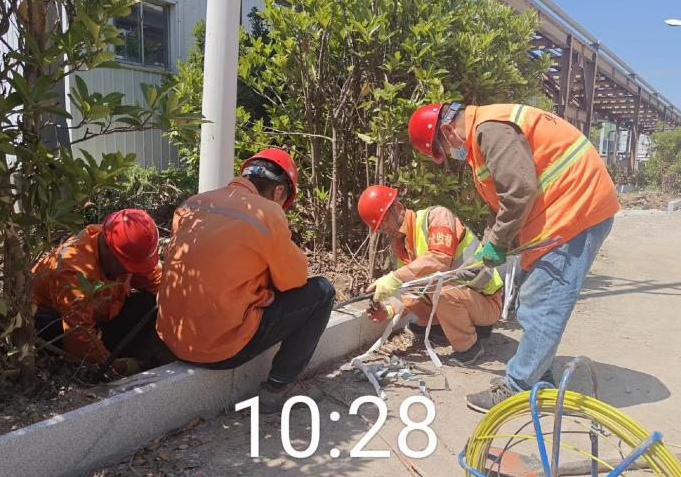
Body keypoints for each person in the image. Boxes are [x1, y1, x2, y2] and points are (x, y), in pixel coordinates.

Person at [407, 102, 619, 411]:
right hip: (564, 211)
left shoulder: (489, 130)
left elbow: (519, 191)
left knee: (541, 302)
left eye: (443, 149)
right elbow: (503, 202)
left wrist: (499, 242)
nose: (450, 156)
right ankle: (539, 375)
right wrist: (488, 247)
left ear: (447, 130)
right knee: (533, 298)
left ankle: (519, 385)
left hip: (573, 210)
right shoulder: (485, 132)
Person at [156, 148, 336, 413]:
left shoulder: (193, 203)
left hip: (171, 340)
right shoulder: (267, 213)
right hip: (220, 350)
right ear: (279, 191)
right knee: (322, 292)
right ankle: (277, 388)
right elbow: (295, 280)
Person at [358, 185, 503, 366]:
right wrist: (388, 311)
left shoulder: (437, 216)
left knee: (439, 290)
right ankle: (442, 327)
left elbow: (440, 259)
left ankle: (468, 347)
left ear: (398, 208)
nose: (385, 229)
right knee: (425, 293)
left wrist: (394, 277)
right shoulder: (401, 245)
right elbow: (410, 291)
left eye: (384, 221)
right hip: (462, 298)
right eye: (380, 227)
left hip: (487, 301)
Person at [32, 208, 167, 375]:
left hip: (101, 316)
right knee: (52, 329)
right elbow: (78, 336)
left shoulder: (125, 245)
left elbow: (156, 281)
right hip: (56, 325)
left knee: (149, 303)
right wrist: (119, 367)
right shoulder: (74, 272)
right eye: (128, 266)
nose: (131, 271)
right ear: (108, 248)